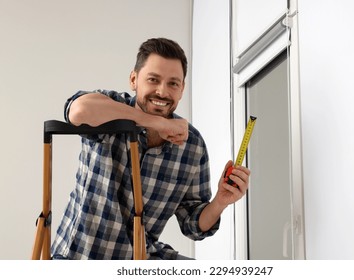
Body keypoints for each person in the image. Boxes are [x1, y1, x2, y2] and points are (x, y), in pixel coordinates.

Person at [51, 37, 250, 260]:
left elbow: (193, 224)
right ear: (134, 79)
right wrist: (157, 122)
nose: (162, 92)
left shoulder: (192, 144)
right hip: (79, 256)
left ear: (182, 89)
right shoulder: (110, 109)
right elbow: (77, 112)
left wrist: (220, 202)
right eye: (153, 80)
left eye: (173, 83)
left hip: (141, 257)